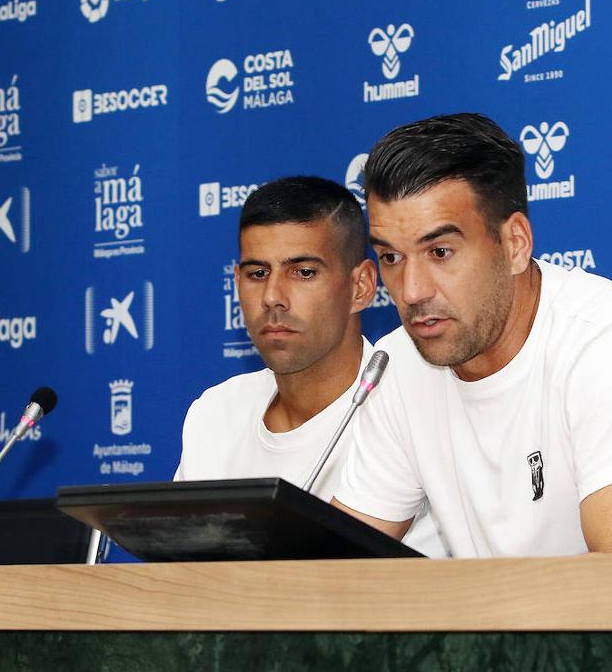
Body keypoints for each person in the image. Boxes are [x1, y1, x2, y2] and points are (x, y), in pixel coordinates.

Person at [331, 113, 612, 557]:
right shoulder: (397, 364)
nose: (412, 290)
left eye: (440, 252)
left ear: (515, 243)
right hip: (522, 624)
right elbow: (335, 570)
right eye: (391, 257)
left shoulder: (610, 345)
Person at [175, 176, 446, 556]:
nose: (272, 297)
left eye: (303, 272)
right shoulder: (214, 413)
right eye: (257, 274)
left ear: (362, 286)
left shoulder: (415, 402)